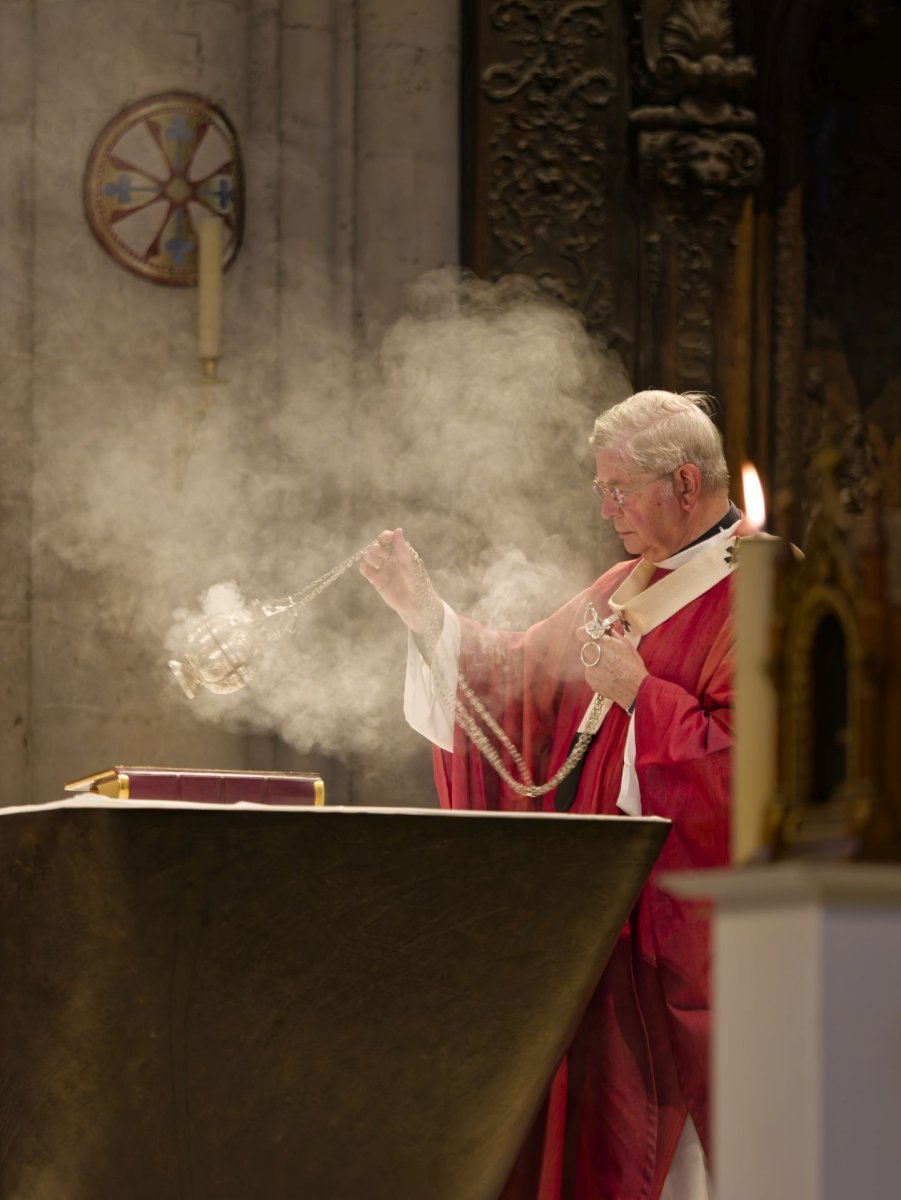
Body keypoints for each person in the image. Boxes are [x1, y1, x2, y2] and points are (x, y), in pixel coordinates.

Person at [360, 390, 742, 1200]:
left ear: (682, 483)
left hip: (682, 958)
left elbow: (761, 782)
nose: (605, 510)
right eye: (598, 489)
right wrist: (427, 618)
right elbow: (520, 693)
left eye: (619, 490)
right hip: (597, 940)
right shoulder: (619, 587)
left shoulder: (761, 591)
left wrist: (647, 699)